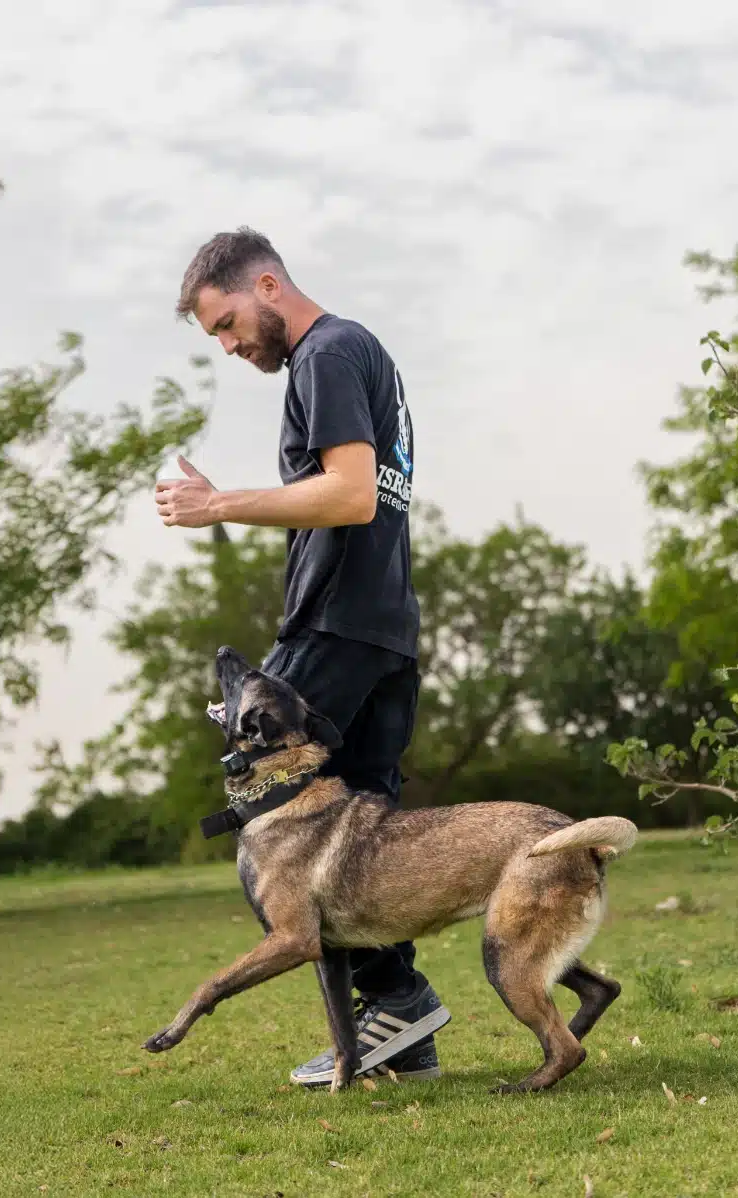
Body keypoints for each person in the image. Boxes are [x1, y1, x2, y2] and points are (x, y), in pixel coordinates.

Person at [155, 228, 450, 1088]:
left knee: (269, 804)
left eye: (227, 322)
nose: (229, 344)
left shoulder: (325, 353)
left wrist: (216, 506)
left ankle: (397, 993)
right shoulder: (364, 352)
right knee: (362, 827)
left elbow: (352, 495)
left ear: (268, 285)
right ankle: (404, 1026)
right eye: (215, 334)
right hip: (385, 628)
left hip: (337, 628)